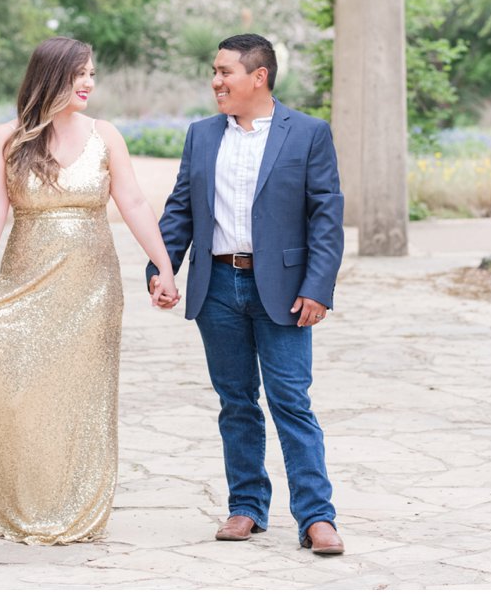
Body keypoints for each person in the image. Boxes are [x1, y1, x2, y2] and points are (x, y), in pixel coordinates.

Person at [0, 36, 179, 545]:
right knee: (23, 393)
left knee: (83, 397)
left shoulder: (106, 135)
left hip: (92, 288)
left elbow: (133, 201)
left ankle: (76, 505)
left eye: (92, 72)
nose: (89, 82)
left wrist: (164, 266)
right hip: (25, 280)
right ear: (52, 77)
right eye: (79, 74)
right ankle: (18, 497)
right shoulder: (7, 138)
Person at [146, 33, 345, 554]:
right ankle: (246, 507)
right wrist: (161, 268)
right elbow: (180, 210)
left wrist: (318, 287)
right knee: (236, 403)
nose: (216, 81)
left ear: (258, 76)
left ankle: (316, 518)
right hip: (217, 287)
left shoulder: (307, 133)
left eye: (225, 72)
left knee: (290, 403)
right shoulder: (201, 135)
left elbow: (326, 218)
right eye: (214, 71)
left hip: (282, 291)